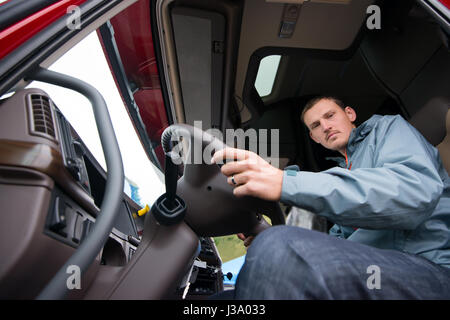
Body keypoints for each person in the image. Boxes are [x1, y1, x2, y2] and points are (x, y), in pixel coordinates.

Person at [212, 96, 450, 299]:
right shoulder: (342, 172)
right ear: (314, 137)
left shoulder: (388, 130)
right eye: (316, 125)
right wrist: (267, 232)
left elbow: (412, 194)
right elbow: (336, 245)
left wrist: (285, 181)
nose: (325, 126)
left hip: (425, 268)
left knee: (280, 251)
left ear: (350, 113)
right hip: (373, 268)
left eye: (330, 116)